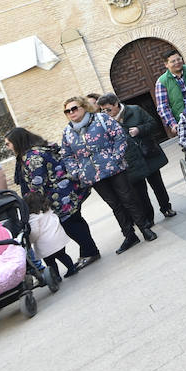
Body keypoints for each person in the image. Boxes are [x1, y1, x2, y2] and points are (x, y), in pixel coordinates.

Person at [61, 96, 154, 254]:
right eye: (68, 111)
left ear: (84, 107)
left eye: (74, 108)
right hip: (92, 174)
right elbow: (67, 155)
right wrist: (77, 172)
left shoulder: (101, 118)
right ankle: (129, 235)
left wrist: (116, 158)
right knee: (114, 205)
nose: (71, 112)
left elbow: (119, 136)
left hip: (114, 168)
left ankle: (144, 228)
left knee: (128, 199)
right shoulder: (68, 132)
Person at [5, 127, 100, 268]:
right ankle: (88, 251)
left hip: (61, 197)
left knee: (71, 225)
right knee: (76, 221)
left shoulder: (33, 157)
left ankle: (90, 252)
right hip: (68, 191)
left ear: (17, 142)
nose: (7, 147)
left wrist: (29, 203)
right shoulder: (40, 149)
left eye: (8, 143)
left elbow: (37, 184)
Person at [98, 93, 176, 219]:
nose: (106, 112)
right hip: (131, 160)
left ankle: (166, 208)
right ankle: (149, 217)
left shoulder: (135, 110)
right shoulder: (106, 122)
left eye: (108, 109)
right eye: (103, 110)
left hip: (148, 153)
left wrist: (139, 129)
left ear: (116, 104)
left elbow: (153, 123)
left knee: (158, 185)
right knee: (140, 192)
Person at [24, 191, 78, 279]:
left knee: (50, 262)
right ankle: (71, 268)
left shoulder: (33, 217)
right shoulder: (48, 210)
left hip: (46, 244)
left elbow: (34, 232)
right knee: (63, 256)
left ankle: (56, 276)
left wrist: (30, 240)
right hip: (58, 239)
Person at [154, 51, 186, 138]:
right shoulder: (162, 81)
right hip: (184, 120)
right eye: (173, 61)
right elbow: (162, 106)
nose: (177, 62)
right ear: (166, 64)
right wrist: (173, 124)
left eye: (178, 59)